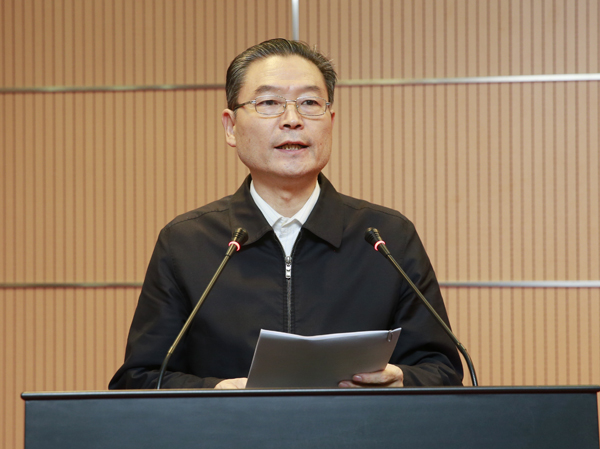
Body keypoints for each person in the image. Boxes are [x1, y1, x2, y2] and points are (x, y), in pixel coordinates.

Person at [109, 38, 463, 390]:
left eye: (309, 103)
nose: (292, 120)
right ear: (231, 127)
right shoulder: (186, 242)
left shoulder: (385, 238)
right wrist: (215, 393)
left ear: (331, 121)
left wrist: (402, 380)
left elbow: (443, 370)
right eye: (269, 103)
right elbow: (139, 380)